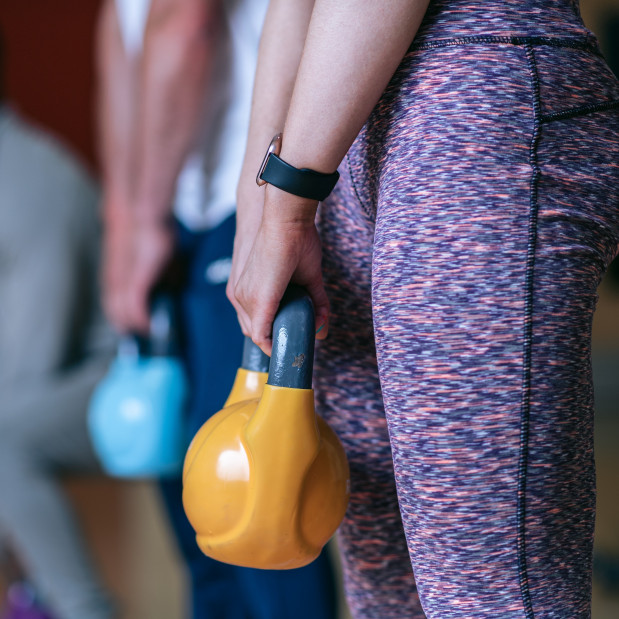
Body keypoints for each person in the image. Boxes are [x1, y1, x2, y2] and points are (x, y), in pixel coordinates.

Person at [228, 0, 619, 617]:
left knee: (486, 592)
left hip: (474, 96)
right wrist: (261, 207)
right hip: (336, 119)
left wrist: (287, 202)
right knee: (386, 578)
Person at [97, 0, 338, 617]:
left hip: (254, 196)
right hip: (175, 205)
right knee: (197, 492)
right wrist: (127, 218)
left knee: (254, 497)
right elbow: (120, 27)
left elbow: (184, 20)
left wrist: (139, 218)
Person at [0, 36, 117, 619]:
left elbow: (40, 356)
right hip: (35, 387)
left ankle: (78, 608)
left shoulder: (26, 179)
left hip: (107, 385)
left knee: (1, 440)